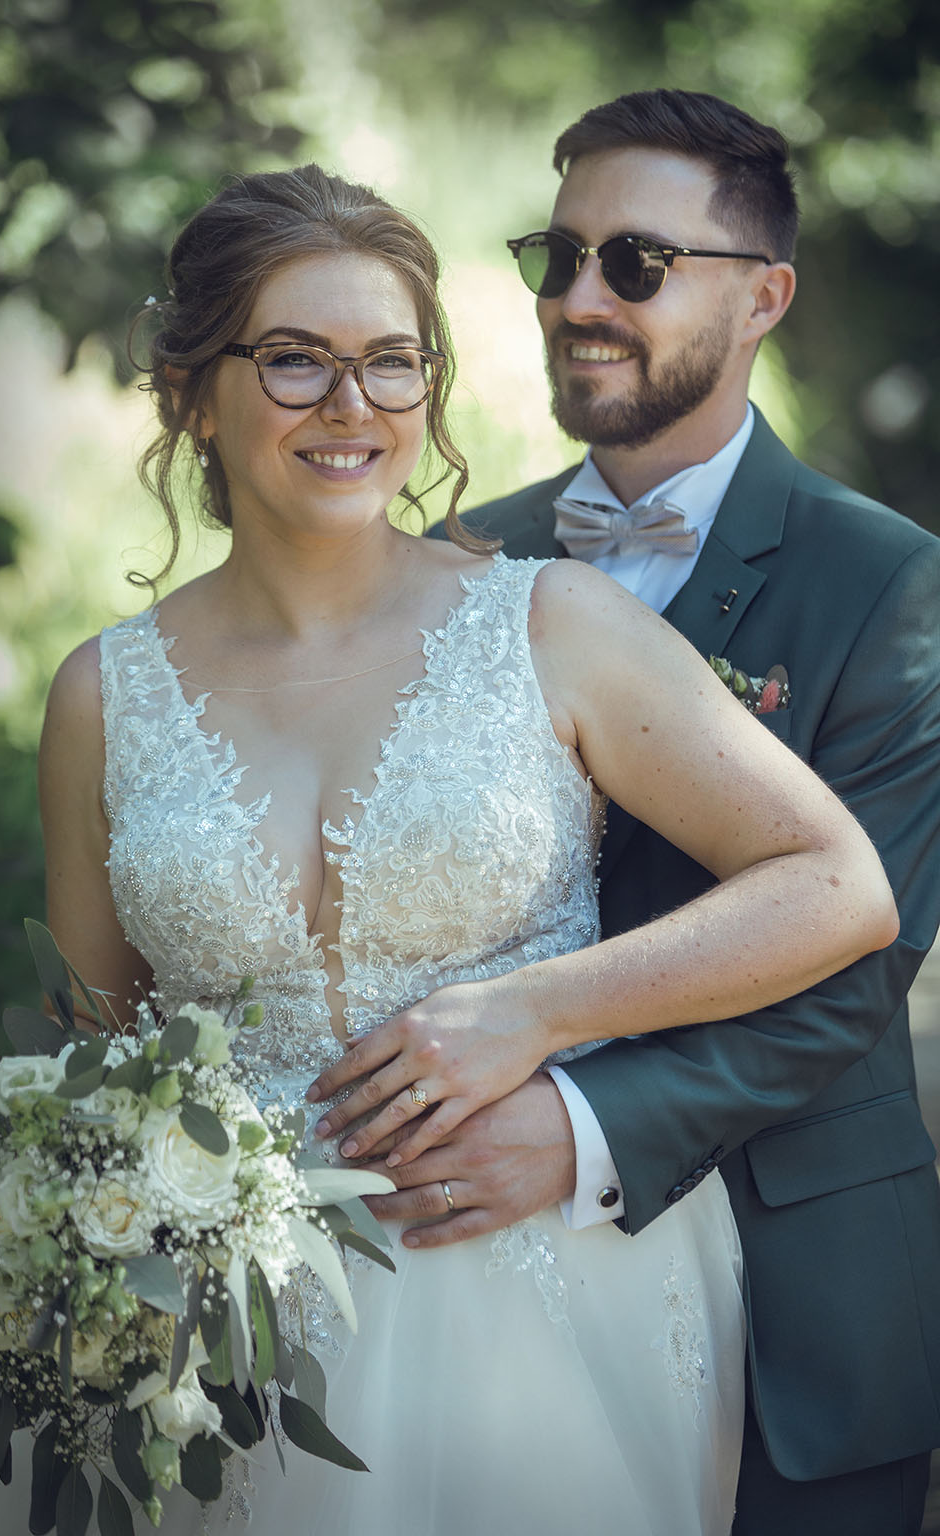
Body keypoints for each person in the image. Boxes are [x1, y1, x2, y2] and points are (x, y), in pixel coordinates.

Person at [0, 164, 897, 1536]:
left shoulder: (556, 625)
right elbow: (94, 1046)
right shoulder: (99, 695)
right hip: (221, 1348)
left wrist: (536, 1010)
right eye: (295, 361)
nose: (353, 406)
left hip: (542, 1295)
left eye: (391, 362)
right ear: (192, 387)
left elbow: (837, 885)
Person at [340, 89, 940, 1536]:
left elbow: (854, 977)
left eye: (637, 264)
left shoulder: (893, 588)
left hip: (802, 1299)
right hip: (488, 1290)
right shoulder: (461, 563)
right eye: (556, 258)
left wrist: (582, 1121)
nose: (578, 299)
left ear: (764, 299)